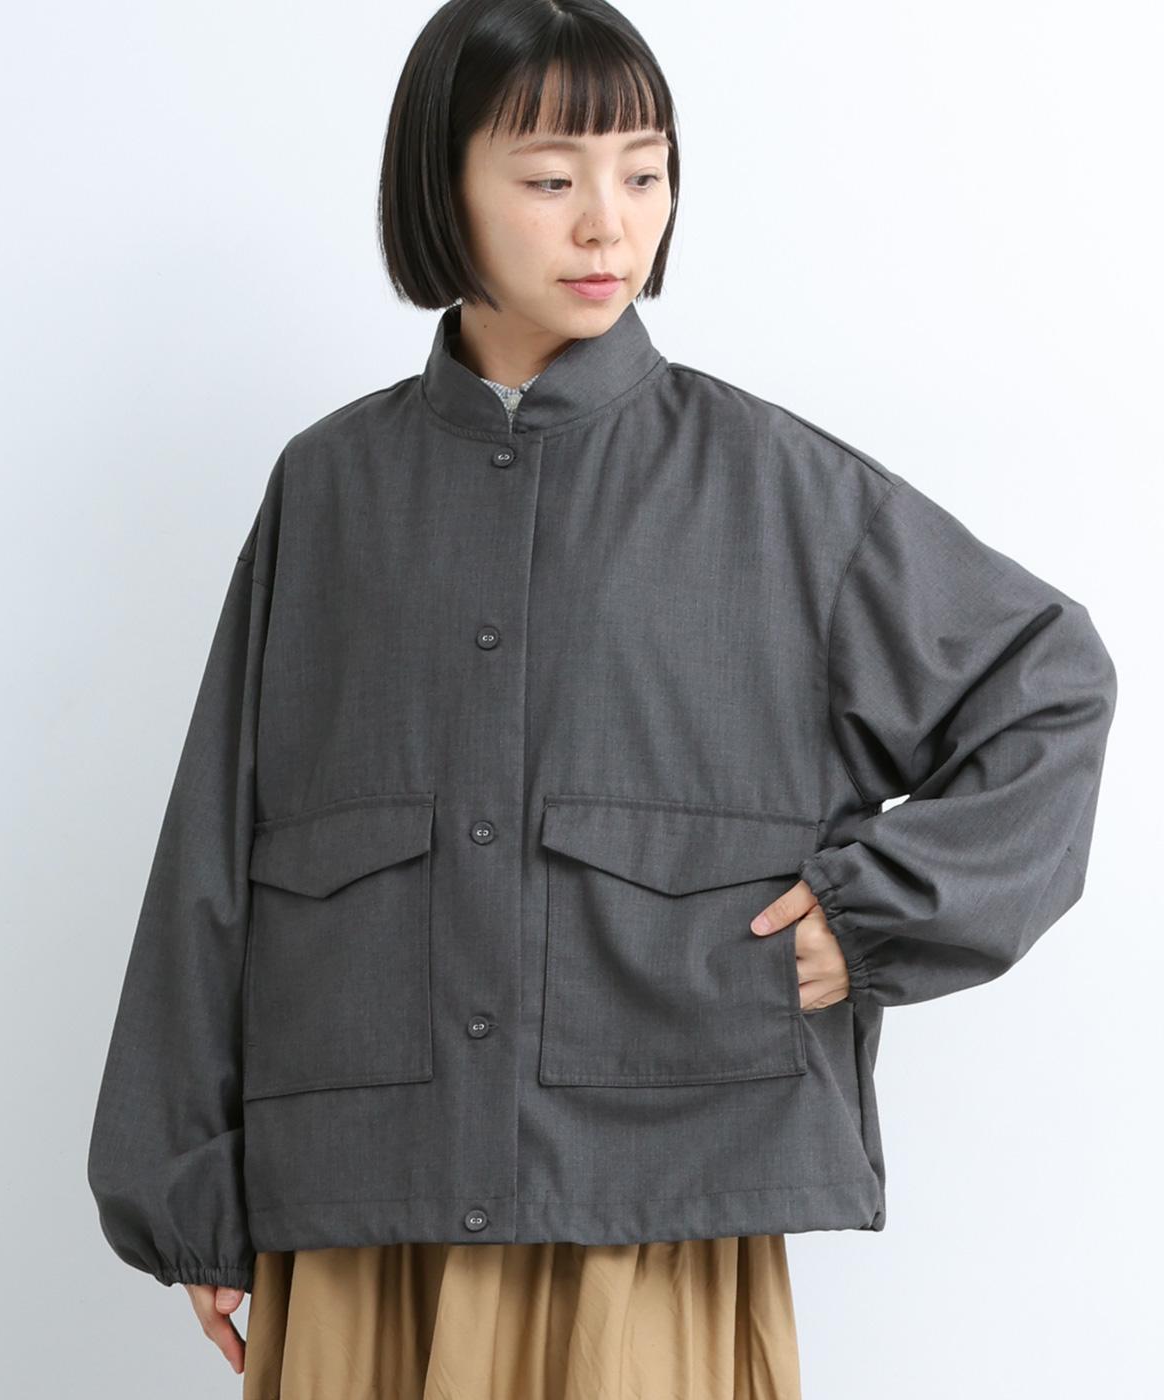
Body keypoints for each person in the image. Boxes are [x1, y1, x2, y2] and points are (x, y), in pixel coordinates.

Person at [86, 2, 1117, 1397]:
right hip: (360, 1210)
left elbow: (1047, 687)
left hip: (651, 1211)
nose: (606, 225)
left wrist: (879, 912)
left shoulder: (782, 492)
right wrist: (188, 1189)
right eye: (549, 177)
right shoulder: (328, 491)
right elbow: (214, 848)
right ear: (442, 185)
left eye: (643, 173)